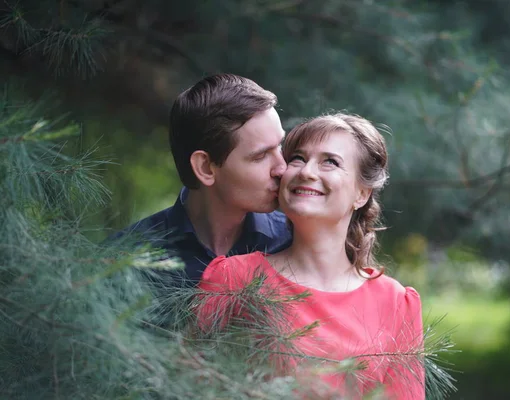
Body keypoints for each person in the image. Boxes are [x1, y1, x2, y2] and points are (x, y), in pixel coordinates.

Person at [197, 113, 424, 399]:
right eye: (298, 159)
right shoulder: (233, 279)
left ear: (361, 193)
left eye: (330, 161)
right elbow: (188, 384)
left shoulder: (396, 303)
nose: (306, 172)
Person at [113, 74, 292, 288]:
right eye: (260, 156)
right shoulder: (123, 263)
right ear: (205, 167)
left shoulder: (294, 242)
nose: (282, 168)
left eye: (279, 145)